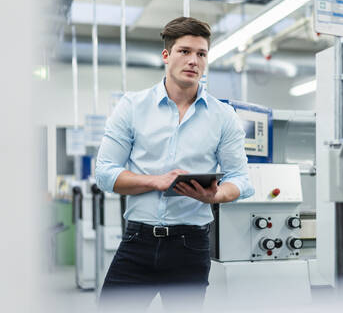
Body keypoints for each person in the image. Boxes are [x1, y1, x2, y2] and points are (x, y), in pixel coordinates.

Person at [95, 16, 254, 312]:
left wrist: (216, 195)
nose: (193, 60)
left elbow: (241, 180)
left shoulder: (223, 116)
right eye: (184, 51)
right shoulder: (131, 107)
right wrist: (155, 181)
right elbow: (104, 174)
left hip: (190, 245)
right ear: (166, 56)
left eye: (201, 54)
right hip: (137, 240)